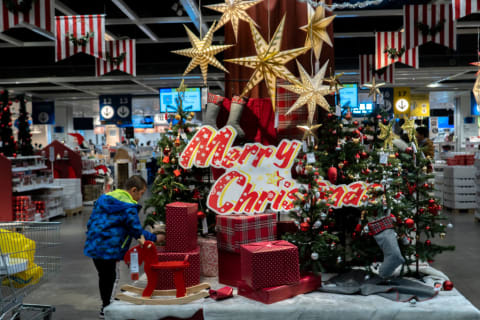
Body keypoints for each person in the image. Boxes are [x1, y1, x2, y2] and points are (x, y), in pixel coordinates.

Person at [84, 175, 164, 318]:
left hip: (94, 244)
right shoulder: (128, 206)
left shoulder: (105, 198)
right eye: (140, 193)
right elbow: (135, 230)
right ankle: (107, 307)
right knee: (112, 276)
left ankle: (105, 303)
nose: (140, 197)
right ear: (133, 190)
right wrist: (156, 237)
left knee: (104, 276)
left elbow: (91, 222)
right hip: (110, 248)